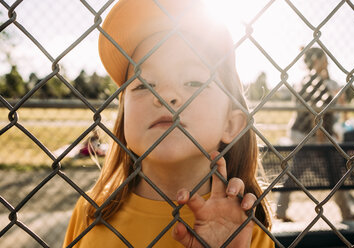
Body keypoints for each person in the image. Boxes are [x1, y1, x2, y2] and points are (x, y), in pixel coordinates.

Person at [63, 0, 274, 247]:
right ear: (123, 118)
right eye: (143, 84)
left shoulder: (243, 224)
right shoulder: (92, 210)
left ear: (231, 123)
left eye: (194, 83)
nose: (164, 95)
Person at [276, 47, 354, 222]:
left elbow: (330, 110)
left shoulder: (318, 81)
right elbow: (316, 115)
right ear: (316, 61)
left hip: (315, 135)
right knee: (298, 173)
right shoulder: (311, 82)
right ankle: (281, 211)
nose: (327, 62)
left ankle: (346, 213)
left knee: (332, 172)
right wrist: (320, 142)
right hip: (309, 136)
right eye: (324, 59)